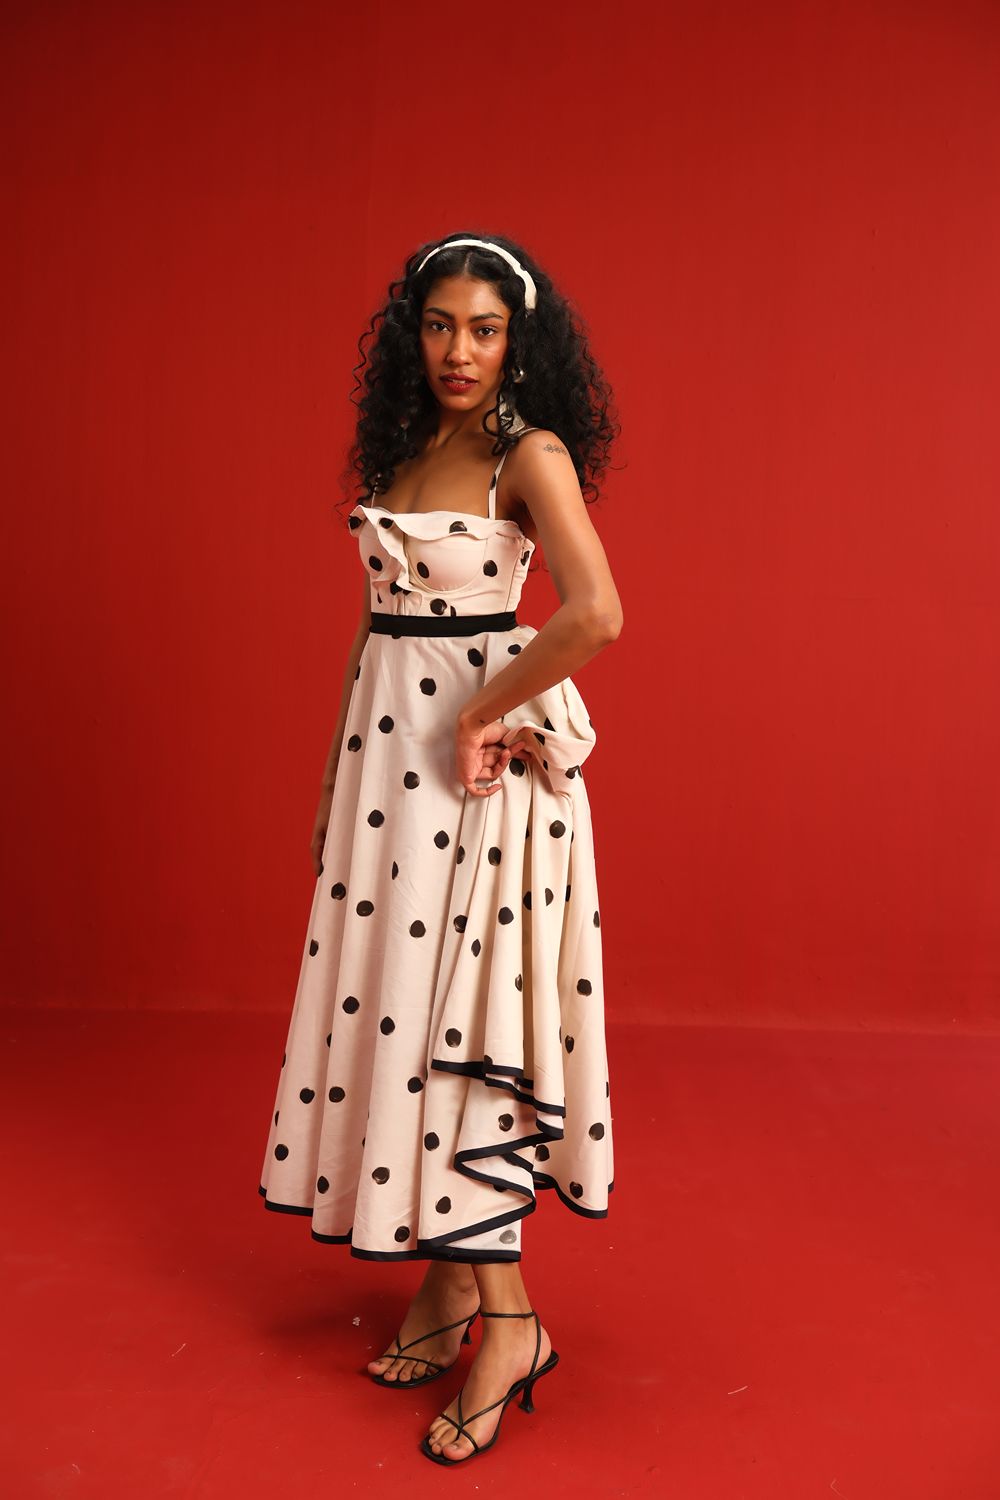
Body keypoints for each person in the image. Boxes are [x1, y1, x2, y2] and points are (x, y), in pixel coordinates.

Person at [258, 232, 623, 1465]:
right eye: (437, 325)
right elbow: (379, 637)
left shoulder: (531, 454)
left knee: (456, 1025)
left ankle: (511, 1322)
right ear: (408, 334)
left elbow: (594, 612)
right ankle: (449, 1285)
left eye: (484, 328)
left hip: (476, 782)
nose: (458, 351)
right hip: (387, 777)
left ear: (520, 339)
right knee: (400, 1017)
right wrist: (334, 778)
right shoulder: (409, 451)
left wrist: (478, 715)